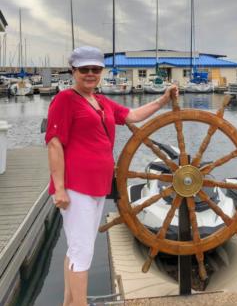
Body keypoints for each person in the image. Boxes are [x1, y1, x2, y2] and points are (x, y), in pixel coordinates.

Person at [46, 45, 178, 306]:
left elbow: (132, 115)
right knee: (82, 251)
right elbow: (54, 143)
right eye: (84, 69)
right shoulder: (65, 100)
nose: (91, 74)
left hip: (97, 187)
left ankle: (69, 303)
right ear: (74, 70)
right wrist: (59, 188)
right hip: (76, 187)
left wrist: (162, 101)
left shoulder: (101, 101)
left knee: (76, 248)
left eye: (95, 69)